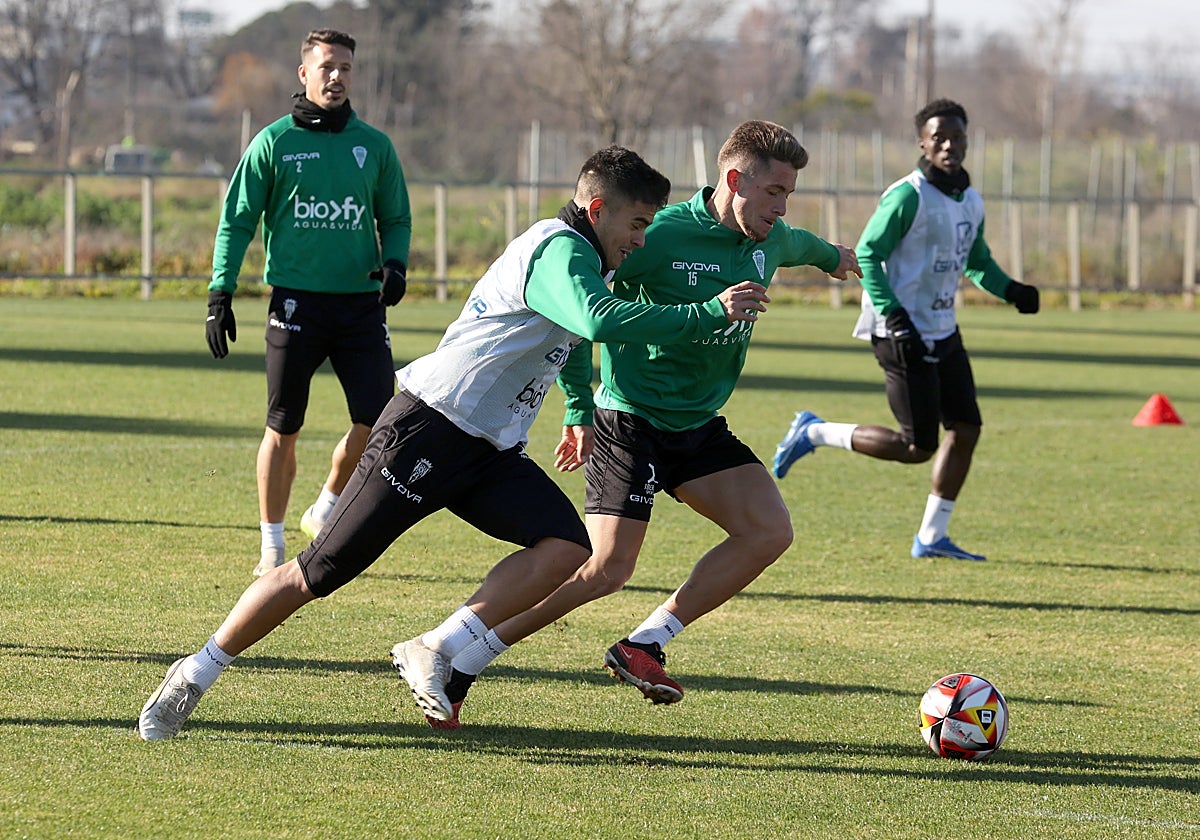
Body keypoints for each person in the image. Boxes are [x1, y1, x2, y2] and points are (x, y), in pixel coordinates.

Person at [138, 145, 771, 740]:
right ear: (598, 209)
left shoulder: (591, 258)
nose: (642, 239)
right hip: (429, 428)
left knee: (565, 547)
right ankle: (196, 670)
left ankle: (435, 647)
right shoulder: (560, 250)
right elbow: (595, 319)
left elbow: (576, 335)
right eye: (636, 224)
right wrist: (707, 311)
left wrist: (577, 407)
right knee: (317, 573)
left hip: (490, 449)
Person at [394, 119, 862, 729]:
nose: (782, 206)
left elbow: (810, 247)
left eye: (789, 194)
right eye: (774, 191)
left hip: (697, 425)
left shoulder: (772, 238)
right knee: (604, 570)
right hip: (630, 419)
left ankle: (646, 642)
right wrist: (577, 408)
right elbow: (578, 316)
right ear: (734, 180)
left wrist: (839, 259)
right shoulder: (657, 236)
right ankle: (463, 660)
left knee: (768, 531)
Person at [772, 98, 1040, 562]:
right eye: (940, 138)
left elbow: (976, 262)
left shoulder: (971, 200)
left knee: (967, 427)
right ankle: (814, 432)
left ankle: (932, 537)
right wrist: (895, 316)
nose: (950, 145)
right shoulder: (907, 195)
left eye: (957, 137)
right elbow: (869, 254)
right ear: (923, 144)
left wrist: (1012, 290)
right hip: (898, 330)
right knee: (917, 446)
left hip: (943, 329)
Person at [204, 29, 413, 578]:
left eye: (345, 67)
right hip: (295, 305)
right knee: (283, 426)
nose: (337, 77)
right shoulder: (274, 142)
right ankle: (272, 547)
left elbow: (395, 217)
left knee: (379, 421)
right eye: (326, 67)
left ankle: (325, 504)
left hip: (360, 308)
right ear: (304, 73)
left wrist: (395, 264)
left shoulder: (375, 146)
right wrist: (220, 291)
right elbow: (237, 220)